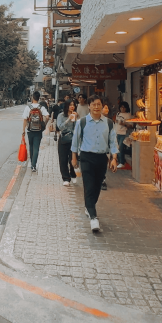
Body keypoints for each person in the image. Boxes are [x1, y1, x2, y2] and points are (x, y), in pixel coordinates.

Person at [70, 95, 118, 232]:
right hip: (86, 158)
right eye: (94, 104)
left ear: (102, 106)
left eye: (99, 104)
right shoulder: (82, 122)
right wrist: (74, 158)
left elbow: (113, 142)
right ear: (89, 106)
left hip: (101, 158)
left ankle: (89, 206)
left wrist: (114, 158)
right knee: (89, 186)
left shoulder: (108, 123)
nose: (96, 107)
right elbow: (76, 141)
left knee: (97, 187)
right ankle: (93, 218)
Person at [21, 91, 50, 172]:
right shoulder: (41, 108)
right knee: (36, 147)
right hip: (38, 131)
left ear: (32, 98)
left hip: (30, 130)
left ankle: (31, 163)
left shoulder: (28, 107)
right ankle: (34, 165)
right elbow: (47, 116)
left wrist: (23, 130)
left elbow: (25, 119)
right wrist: (44, 124)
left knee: (31, 146)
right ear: (39, 98)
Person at [55, 100, 78, 186]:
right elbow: (60, 127)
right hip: (64, 139)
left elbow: (77, 129)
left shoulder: (76, 115)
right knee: (63, 159)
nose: (72, 106)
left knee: (72, 159)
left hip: (73, 139)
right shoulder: (61, 115)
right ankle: (66, 178)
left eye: (73, 105)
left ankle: (72, 173)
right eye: (70, 105)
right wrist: (69, 119)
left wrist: (75, 120)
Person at [114, 102, 133, 167]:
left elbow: (131, 125)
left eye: (124, 107)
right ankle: (119, 161)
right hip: (117, 132)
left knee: (120, 147)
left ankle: (122, 162)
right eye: (121, 107)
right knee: (117, 147)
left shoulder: (128, 115)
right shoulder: (118, 114)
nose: (122, 108)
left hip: (124, 133)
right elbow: (116, 123)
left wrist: (124, 124)